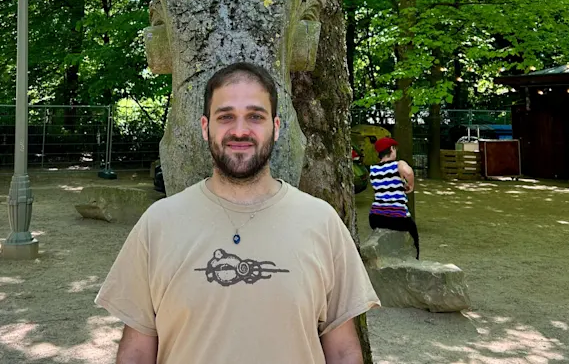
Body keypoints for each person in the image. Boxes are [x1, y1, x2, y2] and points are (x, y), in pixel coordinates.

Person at [95, 63, 380, 364]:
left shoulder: (322, 222)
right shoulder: (158, 224)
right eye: (226, 117)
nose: (240, 131)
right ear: (205, 127)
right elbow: (137, 352)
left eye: (255, 116)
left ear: (276, 127)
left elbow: (343, 351)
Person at [368, 137, 419, 259]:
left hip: (375, 217)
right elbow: (408, 172)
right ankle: (415, 258)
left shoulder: (373, 169)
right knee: (413, 231)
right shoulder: (398, 164)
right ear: (391, 149)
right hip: (397, 217)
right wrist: (411, 185)